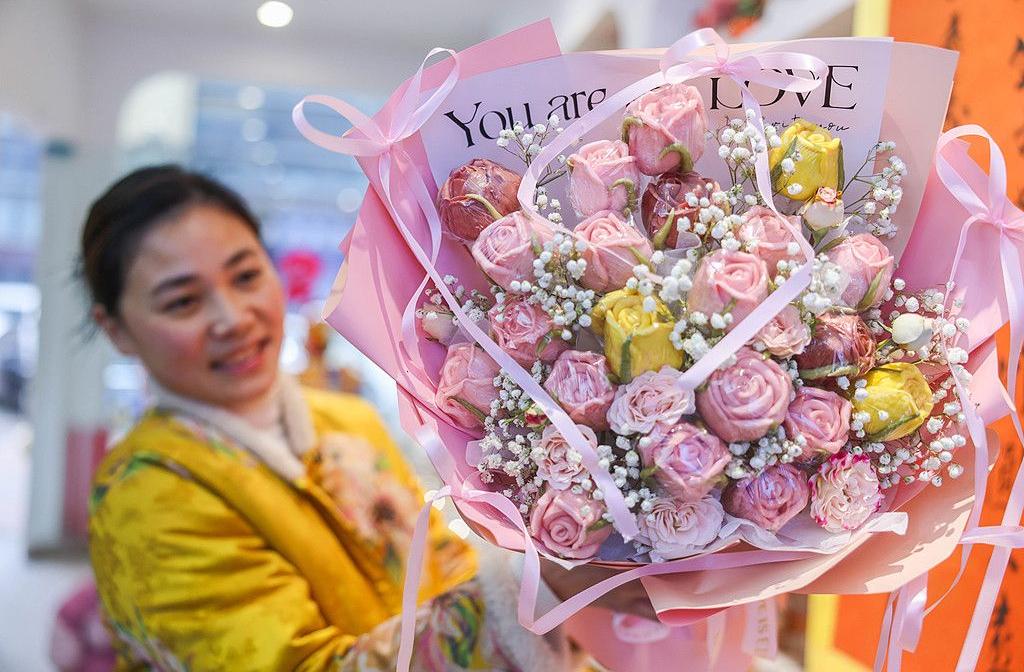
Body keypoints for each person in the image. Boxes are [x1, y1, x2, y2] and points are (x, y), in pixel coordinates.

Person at [83, 166, 652, 671]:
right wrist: (542, 592)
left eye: (246, 276)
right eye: (182, 302)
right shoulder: (145, 495)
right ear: (116, 329)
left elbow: (450, 571)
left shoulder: (347, 422)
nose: (232, 318)